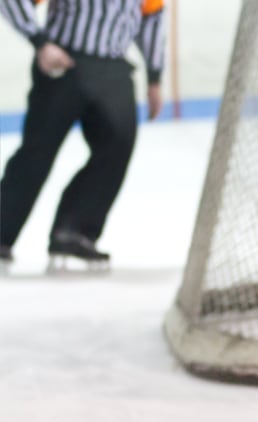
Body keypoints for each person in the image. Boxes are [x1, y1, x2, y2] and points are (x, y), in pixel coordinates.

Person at [0, 0, 166, 274]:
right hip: (64, 62)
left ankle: (74, 232)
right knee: (37, 153)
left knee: (118, 147)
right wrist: (40, 42)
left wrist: (155, 77)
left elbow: (151, 18)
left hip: (113, 67)